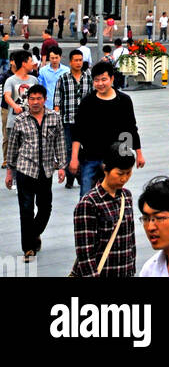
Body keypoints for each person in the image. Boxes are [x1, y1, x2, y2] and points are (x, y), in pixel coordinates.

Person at [5, 82, 65, 258]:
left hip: (46, 170)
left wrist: (61, 166)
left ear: (45, 100)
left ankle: (34, 233)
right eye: (32, 99)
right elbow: (13, 147)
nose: (35, 102)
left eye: (39, 98)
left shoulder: (54, 117)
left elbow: (60, 143)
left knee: (46, 207)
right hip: (25, 169)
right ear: (28, 100)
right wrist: (10, 172)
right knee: (26, 209)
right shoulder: (20, 120)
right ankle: (28, 247)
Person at [70, 60, 145, 197]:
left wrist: (138, 153)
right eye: (96, 80)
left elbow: (131, 129)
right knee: (86, 195)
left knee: (113, 195)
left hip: (115, 159)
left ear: (112, 78)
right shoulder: (87, 102)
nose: (100, 83)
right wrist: (74, 158)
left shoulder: (124, 101)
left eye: (104, 79)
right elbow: (78, 131)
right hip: (90, 158)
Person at [70, 142, 136, 278]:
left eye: (128, 173)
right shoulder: (89, 203)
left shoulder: (127, 197)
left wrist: (132, 269)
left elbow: (131, 241)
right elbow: (85, 253)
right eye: (119, 173)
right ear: (105, 169)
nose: (124, 178)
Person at [53, 49, 92, 189]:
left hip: (85, 122)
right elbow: (57, 100)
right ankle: (70, 177)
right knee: (68, 150)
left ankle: (81, 176)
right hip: (68, 121)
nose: (78, 63)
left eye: (80, 60)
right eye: (75, 60)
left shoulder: (88, 78)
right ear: (70, 62)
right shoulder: (63, 78)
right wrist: (57, 119)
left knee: (84, 150)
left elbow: (93, 98)